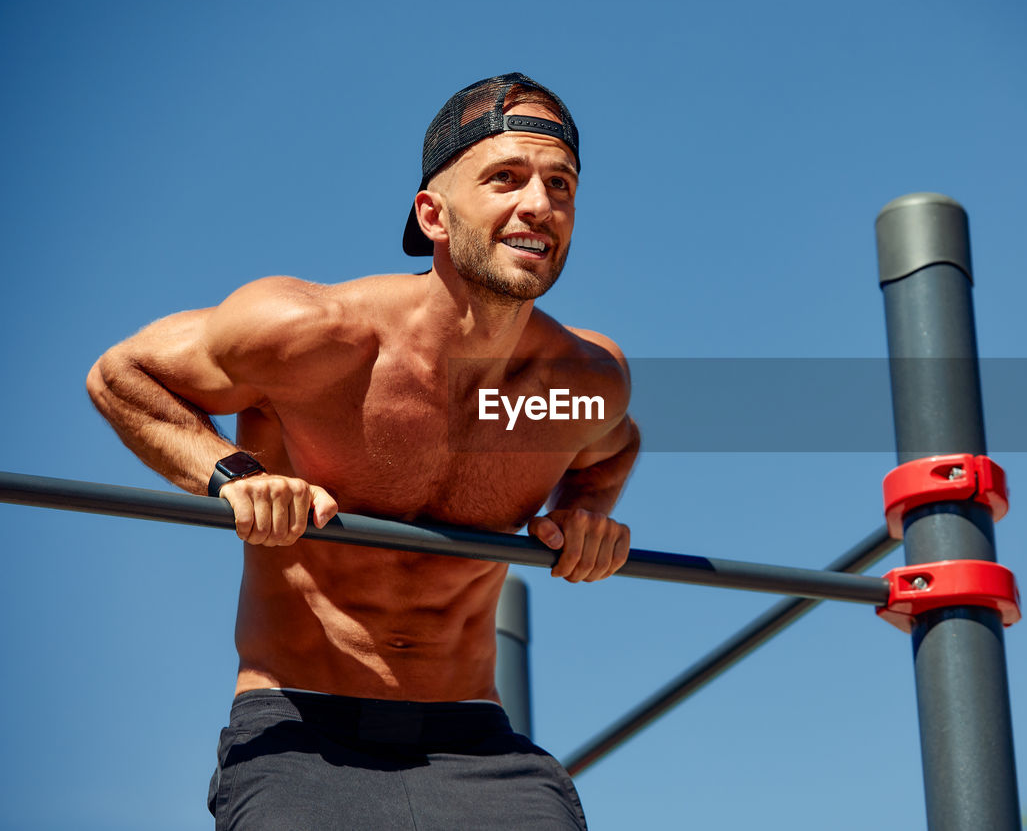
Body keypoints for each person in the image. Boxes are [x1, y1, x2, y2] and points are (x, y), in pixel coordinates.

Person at [86, 72, 639, 830]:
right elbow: (121, 374)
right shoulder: (315, 338)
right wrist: (232, 474)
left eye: (561, 184)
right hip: (301, 735)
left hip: (475, 742)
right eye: (506, 178)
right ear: (433, 214)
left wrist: (583, 513)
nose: (539, 205)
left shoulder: (576, 380)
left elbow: (610, 448)